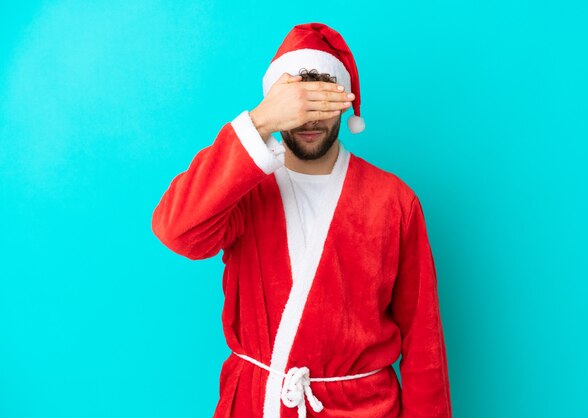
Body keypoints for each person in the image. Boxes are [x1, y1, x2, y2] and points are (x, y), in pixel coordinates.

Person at [152, 22, 452, 418]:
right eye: (299, 102)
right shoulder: (243, 191)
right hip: (257, 405)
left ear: (344, 101)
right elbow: (176, 230)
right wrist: (259, 122)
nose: (310, 119)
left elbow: (423, 340)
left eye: (322, 101)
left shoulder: (394, 200)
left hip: (363, 408)